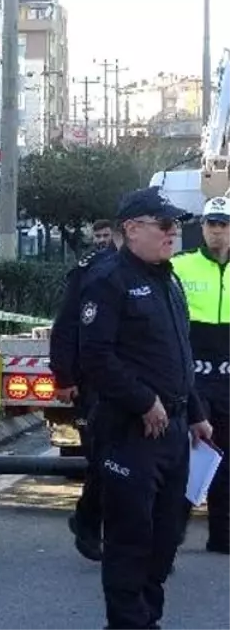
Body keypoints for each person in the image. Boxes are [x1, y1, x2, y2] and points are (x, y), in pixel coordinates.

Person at [78, 186, 213, 630]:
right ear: (132, 229)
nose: (175, 233)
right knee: (131, 539)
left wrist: (194, 411)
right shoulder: (109, 280)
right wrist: (143, 401)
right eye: (165, 225)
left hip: (172, 431)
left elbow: (178, 352)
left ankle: (147, 618)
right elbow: (95, 357)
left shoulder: (168, 278)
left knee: (166, 539)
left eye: (177, 225)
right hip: (130, 431)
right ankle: (128, 623)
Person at [51, 219, 124, 562]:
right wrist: (64, 377)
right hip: (94, 382)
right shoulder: (92, 271)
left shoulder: (160, 274)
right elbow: (67, 324)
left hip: (137, 383)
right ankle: (90, 521)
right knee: (103, 459)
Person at [170, 195, 230, 554]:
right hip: (194, 380)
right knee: (192, 458)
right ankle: (171, 534)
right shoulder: (181, 266)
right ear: (202, 228)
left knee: (227, 460)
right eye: (212, 224)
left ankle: (222, 536)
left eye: (224, 224)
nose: (218, 232)